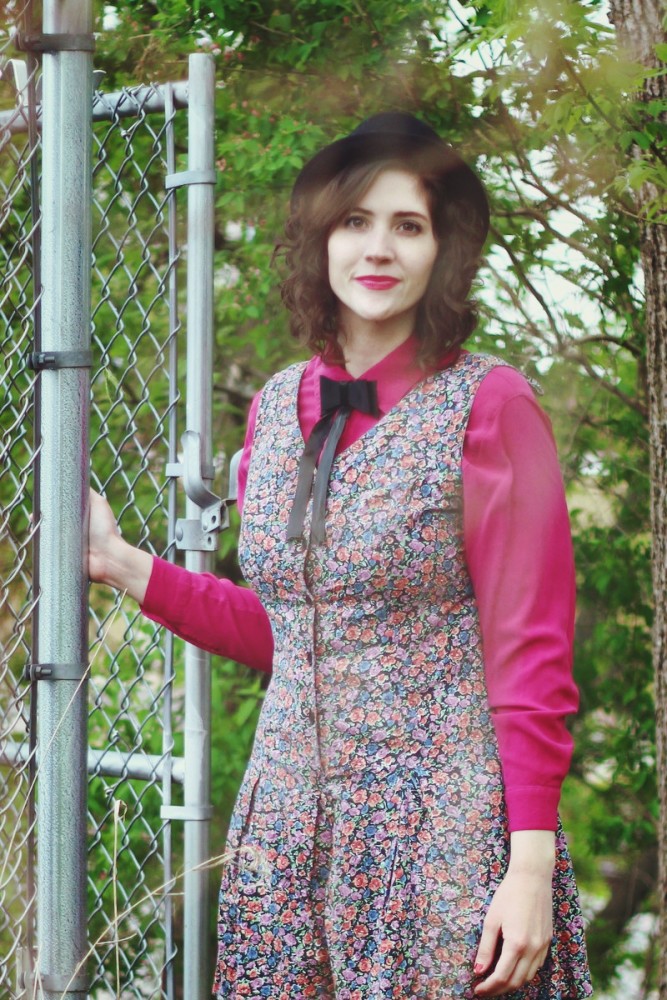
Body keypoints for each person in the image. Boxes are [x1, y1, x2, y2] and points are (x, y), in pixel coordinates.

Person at [89, 113, 593, 999]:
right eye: (355, 221)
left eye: (408, 225)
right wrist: (122, 564)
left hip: (437, 832)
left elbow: (530, 653)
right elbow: (295, 633)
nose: (378, 248)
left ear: (443, 249)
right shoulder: (278, 401)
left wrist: (529, 867)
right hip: (283, 834)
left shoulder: (492, 405)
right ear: (321, 237)